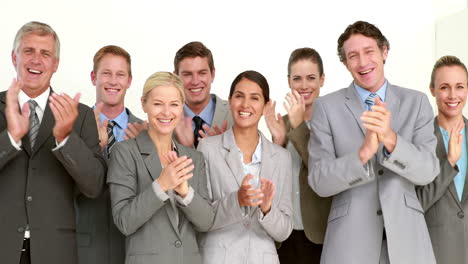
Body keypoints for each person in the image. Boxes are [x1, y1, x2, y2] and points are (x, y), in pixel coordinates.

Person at [308, 21, 439, 264]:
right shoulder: (326, 108)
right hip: (349, 245)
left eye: (369, 51)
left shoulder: (417, 102)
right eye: (353, 56)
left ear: (384, 51)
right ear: (345, 63)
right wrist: (362, 154)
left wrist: (391, 139)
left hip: (408, 243)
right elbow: (319, 181)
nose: (363, 62)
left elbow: (428, 170)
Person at [0, 21, 106, 264]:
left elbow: (94, 186)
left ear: (55, 64)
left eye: (45, 53)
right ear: (14, 57)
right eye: (29, 51)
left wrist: (66, 138)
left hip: (54, 253)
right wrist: (10, 138)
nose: (36, 60)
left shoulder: (80, 115)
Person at [108, 72, 214, 264]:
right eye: (158, 104)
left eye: (174, 104)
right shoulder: (124, 153)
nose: (166, 112)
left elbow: (206, 222)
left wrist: (185, 191)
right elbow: (124, 221)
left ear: (182, 107)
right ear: (144, 104)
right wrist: (161, 185)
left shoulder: (194, 158)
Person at [197, 70, 293, 264]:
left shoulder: (281, 157)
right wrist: (236, 200)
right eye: (239, 96)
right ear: (230, 100)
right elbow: (200, 217)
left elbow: (284, 231)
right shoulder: (208, 148)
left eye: (255, 98)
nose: (245, 105)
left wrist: (267, 209)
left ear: (266, 106)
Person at [76, 45, 145, 264]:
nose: (113, 81)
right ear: (93, 77)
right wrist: (94, 148)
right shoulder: (73, 126)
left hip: (134, 245)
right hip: (86, 247)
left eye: (120, 74)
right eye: (106, 73)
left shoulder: (146, 131)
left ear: (129, 80)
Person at [264, 48, 331, 263]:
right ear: (288, 81)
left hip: (318, 234)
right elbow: (268, 179)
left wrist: (299, 125)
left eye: (311, 78)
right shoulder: (280, 123)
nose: (304, 86)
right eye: (297, 78)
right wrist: (278, 142)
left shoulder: (332, 123)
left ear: (322, 79)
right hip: (283, 234)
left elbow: (323, 173)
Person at [416, 55, 468, 263]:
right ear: (432, 90)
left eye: (460, 86)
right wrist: (449, 162)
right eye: (444, 87)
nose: (453, 95)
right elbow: (416, 204)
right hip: (436, 251)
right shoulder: (419, 140)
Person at [173, 41, 233, 147]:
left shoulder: (235, 114)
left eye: (202, 73)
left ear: (213, 74)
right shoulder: (165, 118)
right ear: (176, 78)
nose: (195, 81)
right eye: (187, 74)